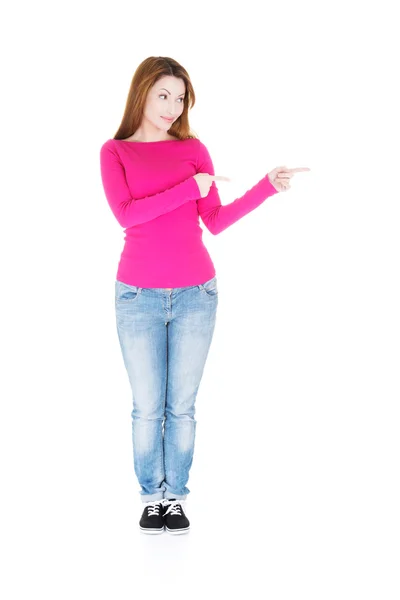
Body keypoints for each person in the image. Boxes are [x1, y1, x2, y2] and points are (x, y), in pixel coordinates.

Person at [99, 56, 310, 535]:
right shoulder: (115, 152)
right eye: (163, 96)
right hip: (137, 297)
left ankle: (176, 498)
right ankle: (151, 497)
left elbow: (213, 221)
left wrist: (266, 188)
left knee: (183, 407)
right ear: (142, 94)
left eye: (180, 98)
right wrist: (186, 188)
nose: (172, 107)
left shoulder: (194, 149)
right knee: (147, 406)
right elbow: (127, 215)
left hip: (197, 293)